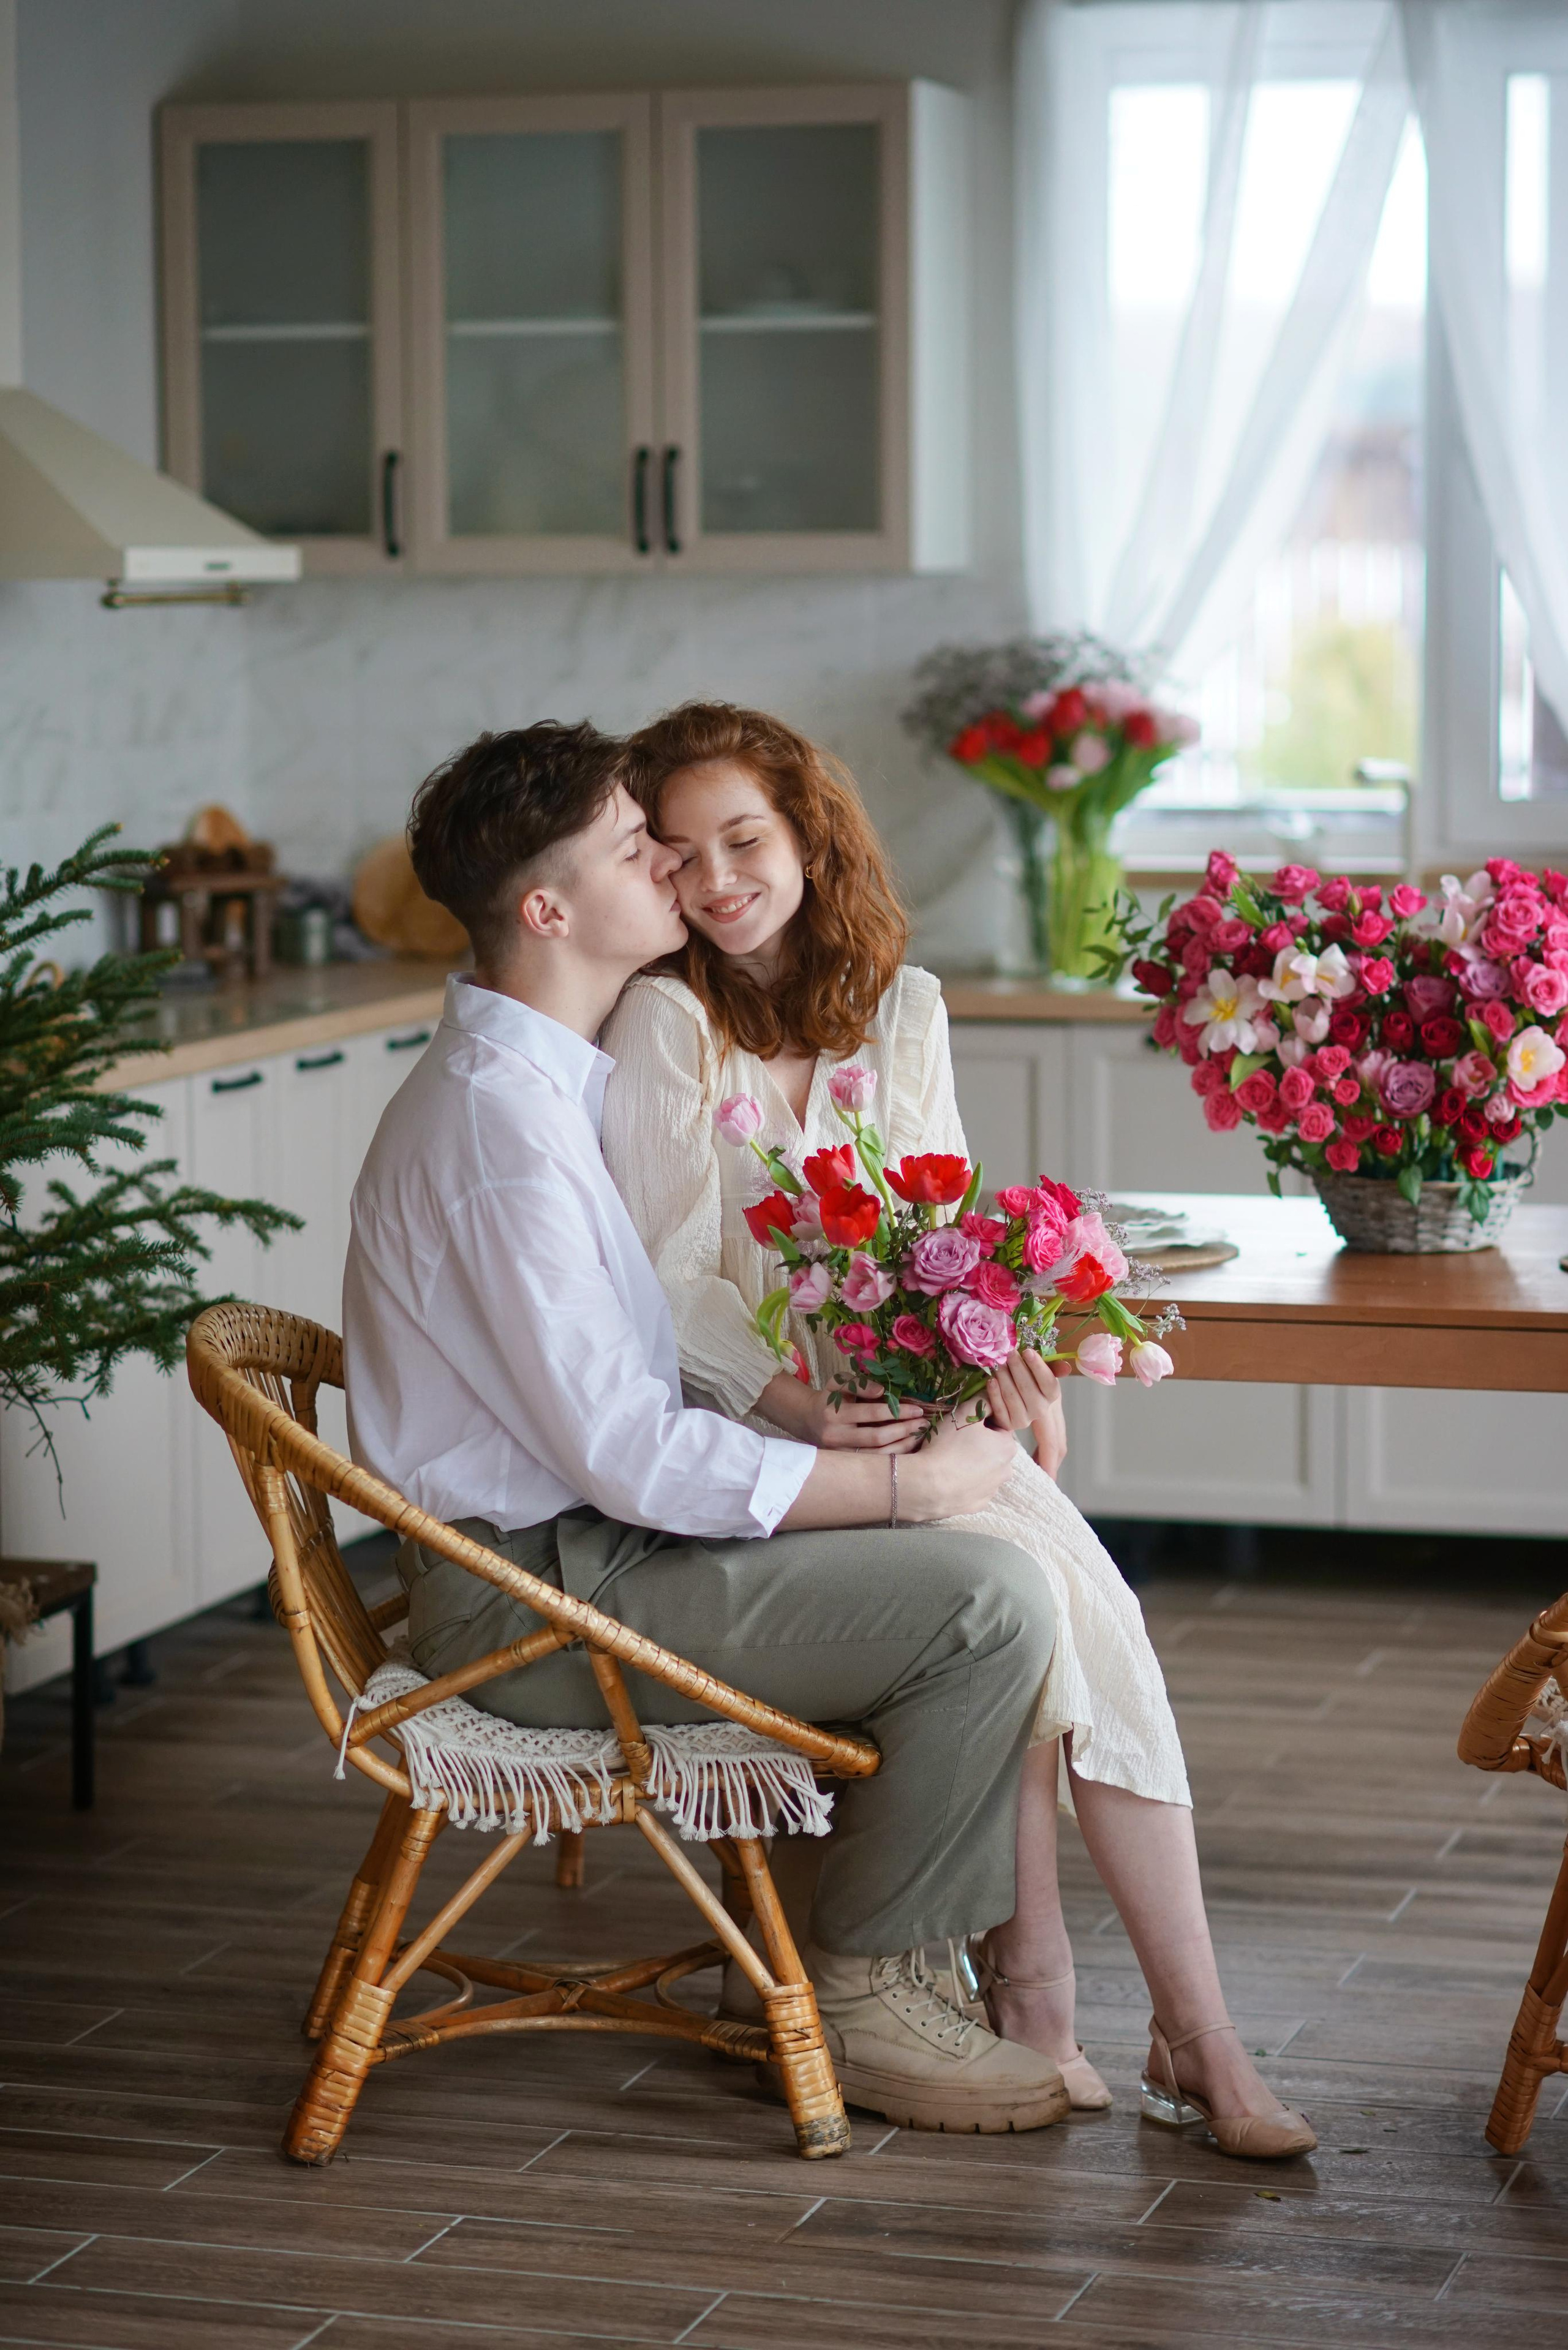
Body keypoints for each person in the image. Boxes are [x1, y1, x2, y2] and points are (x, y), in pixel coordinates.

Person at [600, 700, 1315, 2159]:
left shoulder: (902, 1006)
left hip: (906, 1418)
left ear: (807, 834)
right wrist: (806, 1402)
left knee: (1077, 1616)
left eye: (745, 838)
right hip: (757, 1442)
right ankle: (1113, 2013)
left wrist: (1003, 1364)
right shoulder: (666, 1017)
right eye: (678, 855)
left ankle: (1137, 2012)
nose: (719, 878)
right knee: (1057, 1610)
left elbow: (940, 1227)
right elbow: (662, 1281)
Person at [341, 719, 1072, 2139]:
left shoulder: (548, 1083)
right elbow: (629, 1450)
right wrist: (895, 1488)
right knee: (986, 1602)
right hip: (535, 1602)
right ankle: (864, 1989)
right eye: (638, 850)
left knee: (976, 1574)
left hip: (571, 1552)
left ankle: (830, 1958)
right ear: (547, 910)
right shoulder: (501, 1135)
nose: (676, 871)